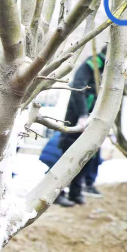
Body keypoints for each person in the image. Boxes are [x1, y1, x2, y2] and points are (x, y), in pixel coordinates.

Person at [58, 46, 107, 205]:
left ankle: (75, 193)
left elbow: (124, 90)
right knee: (67, 156)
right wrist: (82, 115)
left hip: (92, 122)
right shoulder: (92, 64)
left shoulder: (109, 70)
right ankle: (56, 193)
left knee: (84, 157)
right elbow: (78, 87)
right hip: (76, 119)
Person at [40, 132, 103, 207]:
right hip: (64, 148)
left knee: (75, 171)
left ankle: (73, 195)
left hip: (77, 145)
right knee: (62, 172)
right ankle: (56, 196)